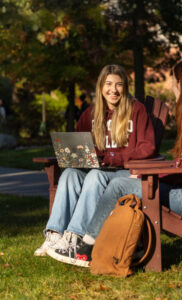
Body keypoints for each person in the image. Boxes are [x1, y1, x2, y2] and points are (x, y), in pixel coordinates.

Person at [47, 58, 182, 268]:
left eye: (174, 80)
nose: (172, 84)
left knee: (118, 183)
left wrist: (148, 177)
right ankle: (98, 239)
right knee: (117, 179)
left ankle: (87, 245)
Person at [34, 64, 156, 258]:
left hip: (124, 172)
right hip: (98, 169)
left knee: (95, 176)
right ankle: (55, 235)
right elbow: (78, 142)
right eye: (108, 84)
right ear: (100, 87)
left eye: (119, 85)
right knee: (70, 174)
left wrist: (117, 157)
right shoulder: (91, 113)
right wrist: (74, 155)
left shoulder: (136, 110)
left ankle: (77, 236)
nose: (113, 90)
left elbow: (148, 146)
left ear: (125, 88)